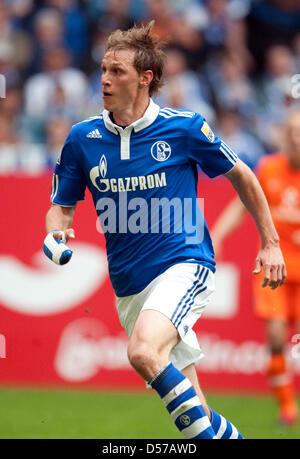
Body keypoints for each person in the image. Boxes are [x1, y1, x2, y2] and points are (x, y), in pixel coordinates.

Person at [44, 22, 286, 439]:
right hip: (130, 287)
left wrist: (271, 242)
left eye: (117, 71)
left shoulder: (184, 127)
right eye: (103, 68)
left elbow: (244, 175)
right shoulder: (82, 138)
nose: (104, 78)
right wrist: (56, 234)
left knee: (141, 351)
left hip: (184, 263)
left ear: (145, 78)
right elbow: (61, 208)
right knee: (198, 412)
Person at [211, 110, 300, 426]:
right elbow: (241, 203)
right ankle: (287, 407)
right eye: (291, 131)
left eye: (299, 132)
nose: (295, 137)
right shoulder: (269, 168)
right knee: (276, 336)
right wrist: (218, 235)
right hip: (276, 265)